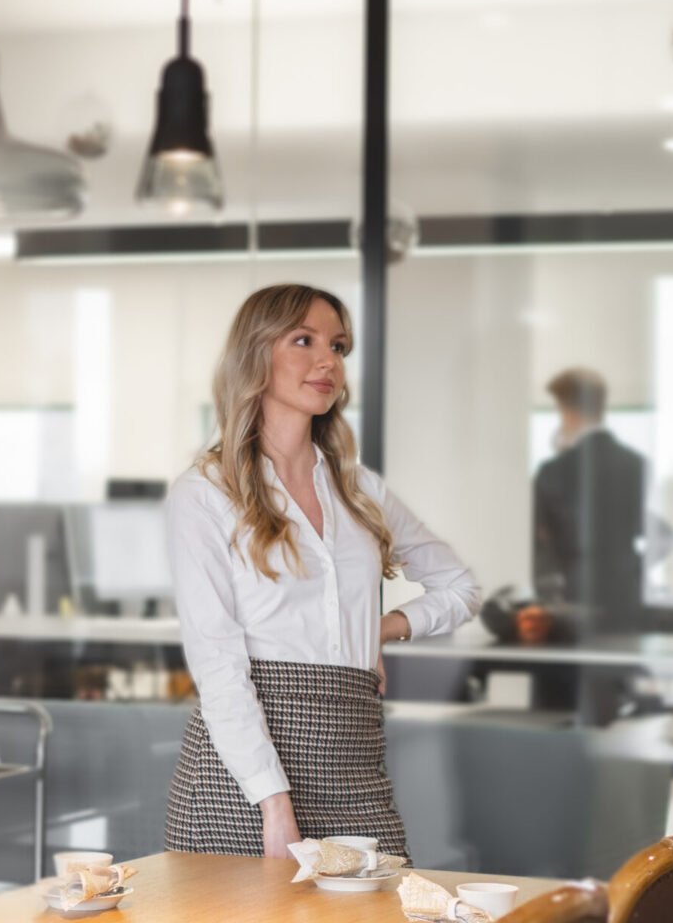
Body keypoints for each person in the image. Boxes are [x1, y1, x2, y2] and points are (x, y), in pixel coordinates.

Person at [164, 284, 482, 858]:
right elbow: (218, 664)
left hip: (353, 766)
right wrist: (274, 804)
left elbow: (459, 588)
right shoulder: (206, 493)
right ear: (255, 354)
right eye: (303, 341)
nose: (327, 361)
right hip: (244, 782)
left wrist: (377, 629)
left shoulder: (359, 490)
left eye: (337, 346)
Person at [531, 367, 662, 631]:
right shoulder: (636, 464)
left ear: (567, 410)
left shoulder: (554, 471)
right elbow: (649, 529)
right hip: (626, 599)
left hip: (573, 600)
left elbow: (541, 544)